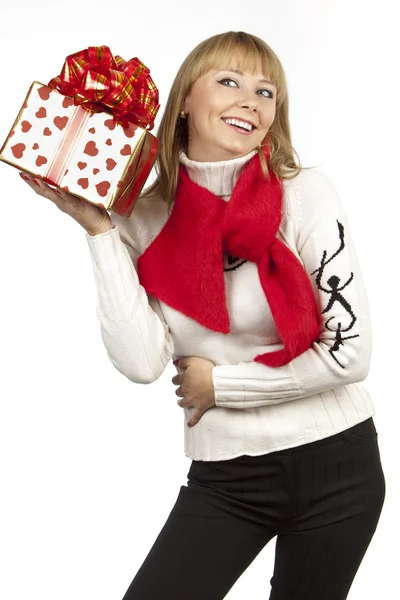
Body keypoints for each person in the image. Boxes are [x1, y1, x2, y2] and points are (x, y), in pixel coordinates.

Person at [20, 30, 385, 600]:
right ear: (185, 99)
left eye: (267, 93)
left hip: (337, 467)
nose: (251, 101)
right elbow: (142, 363)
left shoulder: (305, 195)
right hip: (227, 477)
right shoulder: (144, 217)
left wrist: (221, 385)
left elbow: (350, 353)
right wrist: (100, 232)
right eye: (230, 82)